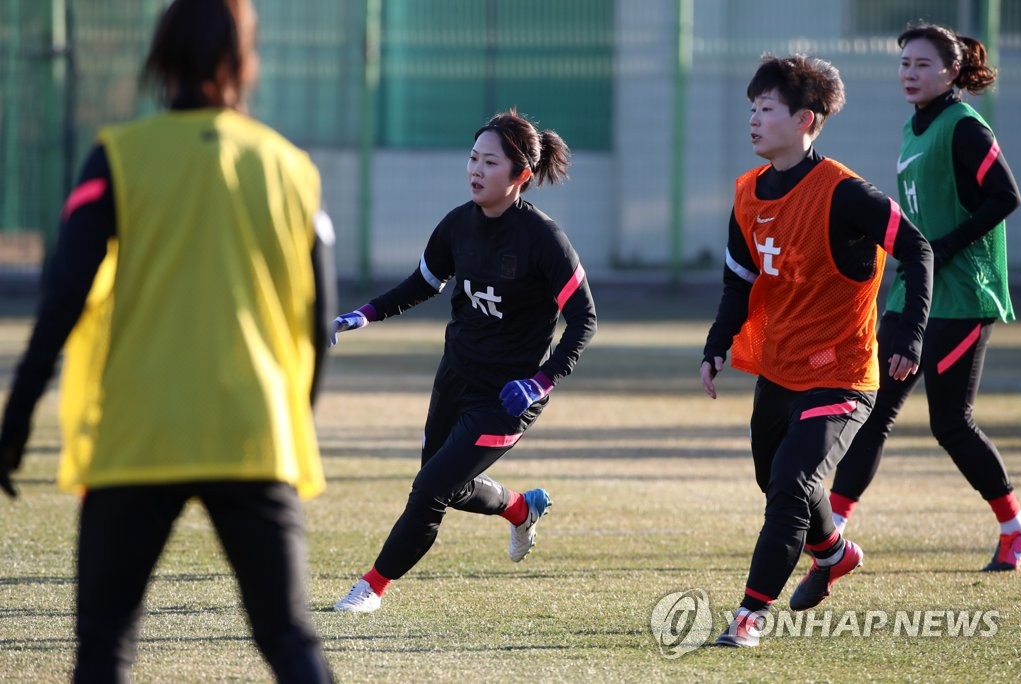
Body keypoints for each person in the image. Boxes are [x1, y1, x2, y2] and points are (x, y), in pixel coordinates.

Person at [0, 0, 336, 680]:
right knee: (289, 639)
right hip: (253, 429)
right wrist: (293, 416)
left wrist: (16, 419)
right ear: (244, 61)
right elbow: (319, 317)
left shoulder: (118, 158)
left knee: (105, 645)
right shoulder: (290, 167)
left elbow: (62, 297)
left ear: (160, 57)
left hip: (139, 431)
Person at [699, 54, 933, 648]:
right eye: (751, 108)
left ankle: (748, 619)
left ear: (805, 119)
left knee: (789, 484)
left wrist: (907, 333)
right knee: (778, 481)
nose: (753, 119)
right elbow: (740, 280)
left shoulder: (846, 193)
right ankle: (833, 553)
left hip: (844, 375)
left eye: (766, 109)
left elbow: (918, 250)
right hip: (778, 368)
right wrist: (717, 343)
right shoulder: (748, 193)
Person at [329, 108, 597, 614]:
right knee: (447, 486)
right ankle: (521, 507)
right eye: (473, 158)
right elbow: (421, 284)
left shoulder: (544, 240)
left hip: (508, 397)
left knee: (430, 487)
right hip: (456, 376)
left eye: (489, 162)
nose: (475, 169)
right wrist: (363, 315)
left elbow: (585, 321)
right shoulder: (458, 225)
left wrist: (540, 381)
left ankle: (371, 587)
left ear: (520, 176)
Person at [829, 24, 1021, 571]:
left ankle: (1013, 530)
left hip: (962, 296)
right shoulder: (916, 129)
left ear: (952, 71)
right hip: (914, 293)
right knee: (873, 411)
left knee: (950, 423)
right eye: (905, 64)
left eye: (921, 64)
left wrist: (941, 250)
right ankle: (833, 533)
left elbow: (1006, 195)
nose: (908, 74)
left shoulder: (964, 127)